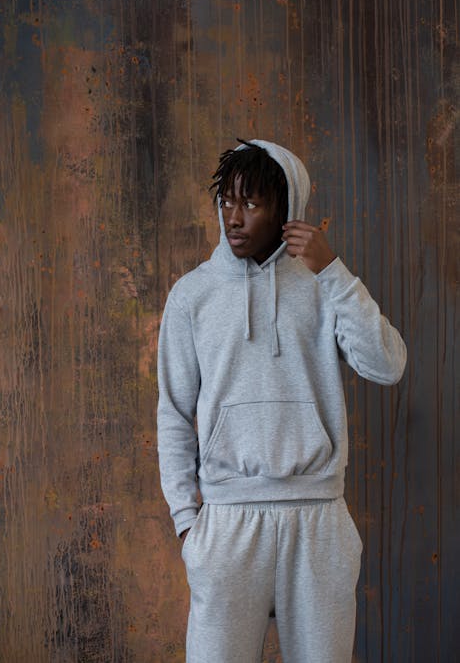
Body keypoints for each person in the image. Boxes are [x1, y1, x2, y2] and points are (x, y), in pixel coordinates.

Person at [157, 139, 406, 663]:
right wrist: (187, 524)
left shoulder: (323, 285)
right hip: (227, 522)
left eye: (251, 203)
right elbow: (174, 415)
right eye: (227, 201)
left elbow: (388, 365)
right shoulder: (192, 296)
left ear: (287, 209)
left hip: (318, 518)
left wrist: (335, 272)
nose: (234, 218)